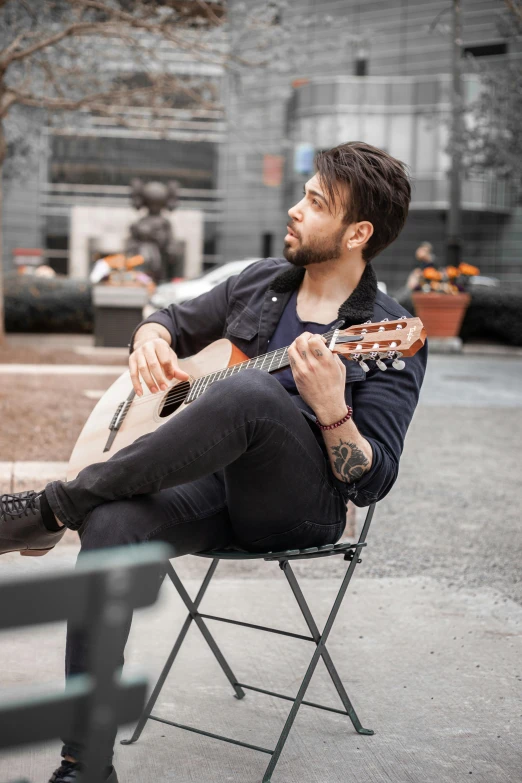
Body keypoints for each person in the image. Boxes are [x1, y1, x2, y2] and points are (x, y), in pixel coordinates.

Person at [0, 142, 428, 783]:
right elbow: (168, 318)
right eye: (303, 194)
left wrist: (334, 410)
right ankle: (84, 765)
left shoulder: (388, 334)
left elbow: (373, 481)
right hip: (211, 491)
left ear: (357, 233)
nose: (294, 209)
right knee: (113, 527)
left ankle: (51, 506)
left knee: (250, 393)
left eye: (315, 203)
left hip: (296, 507)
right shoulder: (260, 283)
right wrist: (150, 340)